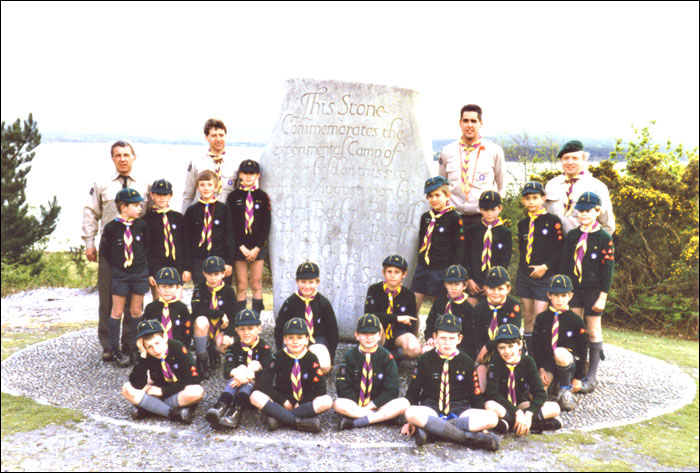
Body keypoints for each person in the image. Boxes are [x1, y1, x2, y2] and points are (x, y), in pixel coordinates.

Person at [82, 140, 150, 363]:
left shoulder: (144, 183)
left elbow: (150, 214)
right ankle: (109, 345)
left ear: (134, 157)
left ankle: (130, 343)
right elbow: (91, 212)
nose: (122, 159)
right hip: (111, 250)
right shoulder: (102, 184)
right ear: (113, 158)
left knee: (134, 301)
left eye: (126, 154)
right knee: (108, 298)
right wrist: (89, 242)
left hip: (136, 251)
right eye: (118, 155)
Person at [401, 314, 500, 451]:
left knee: (492, 418)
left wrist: (483, 425)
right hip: (432, 408)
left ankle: (432, 432)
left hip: (459, 410)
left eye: (452, 338)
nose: (447, 343)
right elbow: (413, 392)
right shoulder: (425, 359)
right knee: (411, 412)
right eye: (443, 338)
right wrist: (409, 422)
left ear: (459, 339)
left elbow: (475, 396)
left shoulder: (467, 361)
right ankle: (468, 438)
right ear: (435, 337)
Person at [559, 192, 614, 393]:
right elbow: (565, 264)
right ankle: (574, 371)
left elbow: (608, 269)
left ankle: (591, 376)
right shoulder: (573, 236)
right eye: (580, 211)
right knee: (574, 327)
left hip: (593, 290)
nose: (583, 215)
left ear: (597, 212)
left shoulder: (603, 237)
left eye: (588, 211)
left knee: (593, 330)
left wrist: (602, 295)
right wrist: (563, 290)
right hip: (574, 290)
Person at [250, 318, 333, 433]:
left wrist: (301, 402)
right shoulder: (278, 357)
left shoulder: (311, 358)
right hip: (283, 401)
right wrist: (283, 401)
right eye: (291, 338)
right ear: (285, 339)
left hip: (304, 403)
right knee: (255, 396)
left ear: (307, 340)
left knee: (327, 400)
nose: (295, 342)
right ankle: (299, 422)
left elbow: (320, 388)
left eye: (300, 338)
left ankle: (279, 419)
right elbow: (264, 384)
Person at [99, 188, 150, 366]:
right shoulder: (112, 228)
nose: (140, 208)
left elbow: (146, 247)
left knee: (136, 311)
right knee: (117, 311)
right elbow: (106, 251)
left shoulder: (141, 226)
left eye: (140, 205)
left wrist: (143, 268)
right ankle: (114, 349)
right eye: (135, 205)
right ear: (123, 207)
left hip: (139, 273)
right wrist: (119, 268)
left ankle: (134, 347)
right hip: (121, 274)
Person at [334, 313, 409, 430]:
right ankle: (382, 418)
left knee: (404, 403)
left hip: (379, 404)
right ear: (357, 335)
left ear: (380, 335)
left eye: (373, 333)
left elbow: (392, 389)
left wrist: (373, 404)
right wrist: (359, 404)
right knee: (338, 404)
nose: (369, 337)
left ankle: (356, 420)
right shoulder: (349, 356)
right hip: (355, 404)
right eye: (364, 333)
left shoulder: (387, 357)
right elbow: (342, 386)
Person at [485, 324, 562, 435]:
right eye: (502, 347)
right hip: (503, 405)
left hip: (521, 403)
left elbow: (540, 393)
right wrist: (517, 413)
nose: (507, 351)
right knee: (489, 405)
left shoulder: (528, 362)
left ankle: (510, 425)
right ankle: (535, 424)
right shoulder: (496, 362)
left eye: (511, 346)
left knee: (555, 408)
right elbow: (493, 394)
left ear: (520, 344)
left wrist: (529, 414)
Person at [121, 320, 203, 424]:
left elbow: (193, 379)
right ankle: (172, 413)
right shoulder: (146, 354)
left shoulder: (177, 347)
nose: (156, 349)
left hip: (177, 390)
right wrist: (143, 355)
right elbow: (137, 384)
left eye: (157, 343)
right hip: (158, 387)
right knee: (127, 388)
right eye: (149, 346)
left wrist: (162, 391)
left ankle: (149, 408)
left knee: (197, 392)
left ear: (164, 337)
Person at [438, 104, 506, 226]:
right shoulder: (447, 152)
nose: (469, 125)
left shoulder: (494, 151)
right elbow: (443, 185)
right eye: (465, 121)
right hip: (454, 217)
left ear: (480, 123)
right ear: (460, 123)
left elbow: (501, 186)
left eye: (473, 121)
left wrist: (494, 212)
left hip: (483, 218)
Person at [516, 181, 565, 352]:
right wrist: (523, 271)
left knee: (540, 317)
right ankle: (527, 351)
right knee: (527, 316)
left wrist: (546, 267)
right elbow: (523, 249)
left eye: (535, 198)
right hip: (525, 276)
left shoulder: (552, 221)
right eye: (527, 198)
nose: (531, 202)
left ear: (543, 199)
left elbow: (560, 249)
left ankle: (540, 354)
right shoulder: (522, 223)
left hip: (544, 276)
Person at [206, 309, 272, 430]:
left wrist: (248, 376)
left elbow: (268, 374)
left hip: (256, 392)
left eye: (250, 328)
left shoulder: (264, 348)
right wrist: (237, 373)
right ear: (236, 330)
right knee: (239, 368)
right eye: (242, 329)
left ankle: (235, 411)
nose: (246, 332)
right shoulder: (234, 346)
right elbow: (227, 370)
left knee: (254, 364)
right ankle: (221, 405)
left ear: (259, 329)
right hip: (236, 387)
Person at [532, 275, 588, 412]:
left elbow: (583, 349)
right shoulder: (542, 318)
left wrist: (577, 378)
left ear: (570, 296)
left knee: (559, 352)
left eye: (563, 295)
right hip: (548, 364)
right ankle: (550, 391)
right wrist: (540, 368)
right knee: (535, 395)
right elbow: (535, 346)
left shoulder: (576, 320)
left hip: (567, 363)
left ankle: (565, 389)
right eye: (556, 295)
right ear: (549, 295)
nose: (559, 299)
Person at [274, 262, 339, 375]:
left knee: (323, 366)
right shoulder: (290, 302)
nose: (307, 286)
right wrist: (280, 351)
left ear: (317, 282)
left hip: (316, 340)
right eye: (303, 282)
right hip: (296, 340)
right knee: (287, 370)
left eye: (311, 282)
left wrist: (331, 357)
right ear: (297, 281)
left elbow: (332, 331)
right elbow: (279, 328)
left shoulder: (323, 303)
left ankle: (308, 370)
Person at [414, 176, 465, 312]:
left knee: (438, 308)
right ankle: (412, 332)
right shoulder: (426, 217)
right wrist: (420, 262)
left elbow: (459, 247)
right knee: (413, 306)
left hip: (441, 269)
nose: (434, 199)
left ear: (447, 196)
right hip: (423, 268)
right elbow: (421, 241)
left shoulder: (454, 218)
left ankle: (435, 332)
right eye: (430, 196)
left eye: (438, 195)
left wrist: (452, 272)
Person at [226, 159, 271, 314]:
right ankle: (241, 318)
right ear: (240, 175)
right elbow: (231, 225)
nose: (248, 176)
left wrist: (257, 247)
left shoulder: (263, 197)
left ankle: (256, 319)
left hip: (257, 247)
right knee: (242, 284)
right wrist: (241, 247)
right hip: (240, 247)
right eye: (245, 173)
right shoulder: (233, 197)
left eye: (252, 173)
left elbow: (266, 224)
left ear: (258, 175)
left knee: (256, 283)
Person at [544, 139, 615, 235]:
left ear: (583, 160)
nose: (570, 162)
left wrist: (593, 246)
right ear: (561, 160)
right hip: (555, 247)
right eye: (566, 158)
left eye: (575, 158)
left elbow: (607, 225)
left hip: (583, 246)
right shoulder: (551, 185)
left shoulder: (597, 187)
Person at [472, 266, 522, 391]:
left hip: (508, 351)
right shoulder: (480, 308)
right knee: (481, 390)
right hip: (485, 356)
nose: (496, 292)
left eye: (500, 288)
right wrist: (480, 353)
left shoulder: (513, 305)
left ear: (508, 288)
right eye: (491, 288)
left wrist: (487, 348)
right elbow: (477, 335)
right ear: (485, 288)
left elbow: (511, 335)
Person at [183, 170, 235, 285]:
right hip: (199, 260)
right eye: (202, 185)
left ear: (216, 188)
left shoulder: (224, 209)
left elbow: (229, 237)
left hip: (220, 258)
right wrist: (187, 267)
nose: (206, 188)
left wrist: (229, 262)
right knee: (201, 292)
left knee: (221, 292)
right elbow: (186, 240)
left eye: (210, 185)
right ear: (197, 188)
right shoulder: (192, 211)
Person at [364, 255, 420, 361]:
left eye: (397, 272)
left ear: (404, 274)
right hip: (379, 330)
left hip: (398, 333)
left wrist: (405, 338)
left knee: (415, 349)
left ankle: (394, 356)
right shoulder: (374, 290)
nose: (392, 276)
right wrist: (397, 318)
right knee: (375, 322)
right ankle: (378, 356)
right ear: (383, 272)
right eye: (389, 271)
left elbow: (411, 322)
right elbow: (370, 314)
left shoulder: (409, 295)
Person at [190, 256, 237, 380]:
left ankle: (214, 351)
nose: (213, 278)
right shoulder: (199, 288)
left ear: (223, 274)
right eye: (209, 274)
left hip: (218, 330)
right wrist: (220, 314)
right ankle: (202, 360)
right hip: (204, 330)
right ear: (204, 274)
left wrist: (228, 333)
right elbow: (197, 310)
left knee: (229, 343)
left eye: (216, 274)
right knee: (201, 321)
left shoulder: (229, 291)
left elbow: (234, 316)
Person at [182, 118, 242, 212]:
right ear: (206, 137)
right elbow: (188, 195)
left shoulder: (236, 163)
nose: (218, 139)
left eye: (221, 135)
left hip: (226, 218)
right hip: (202, 216)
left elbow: (240, 194)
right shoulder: (197, 162)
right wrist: (184, 220)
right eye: (214, 135)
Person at [463, 190, 512, 306]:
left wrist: (493, 283)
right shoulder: (472, 230)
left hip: (493, 283)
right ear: (480, 209)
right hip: (473, 281)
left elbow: (504, 260)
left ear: (500, 208)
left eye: (493, 210)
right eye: (485, 210)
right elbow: (466, 256)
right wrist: (469, 279)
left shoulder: (505, 233)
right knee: (468, 312)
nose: (489, 213)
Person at [144, 179, 188, 301]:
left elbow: (185, 244)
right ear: (152, 195)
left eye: (165, 194)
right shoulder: (147, 220)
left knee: (176, 303)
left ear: (171, 196)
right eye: (158, 194)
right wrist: (150, 273)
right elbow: (146, 249)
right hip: (157, 267)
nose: (161, 198)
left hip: (177, 266)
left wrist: (186, 268)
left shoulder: (178, 218)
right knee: (159, 302)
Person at [424, 265, 476, 359]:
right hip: (439, 343)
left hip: (459, 347)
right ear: (445, 285)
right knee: (425, 350)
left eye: (457, 284)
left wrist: (454, 346)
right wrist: (430, 338)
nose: (453, 288)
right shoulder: (439, 302)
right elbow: (430, 324)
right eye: (450, 283)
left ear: (464, 285)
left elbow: (470, 336)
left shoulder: (467, 308)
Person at [142, 267, 193, 349]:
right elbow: (145, 331)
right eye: (163, 286)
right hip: (156, 350)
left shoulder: (181, 308)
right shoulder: (151, 308)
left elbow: (187, 330)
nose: (167, 290)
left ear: (177, 287)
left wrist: (185, 348)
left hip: (178, 348)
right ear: (157, 287)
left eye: (171, 286)